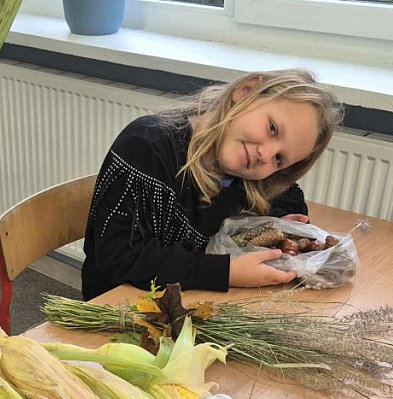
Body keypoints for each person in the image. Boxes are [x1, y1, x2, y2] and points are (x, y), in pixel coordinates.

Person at [81, 69, 344, 300]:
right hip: (120, 307)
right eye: (272, 129)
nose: (265, 154)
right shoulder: (146, 146)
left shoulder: (246, 172)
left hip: (193, 300)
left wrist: (280, 221)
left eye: (279, 159)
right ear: (246, 90)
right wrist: (227, 271)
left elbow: (290, 195)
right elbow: (119, 259)